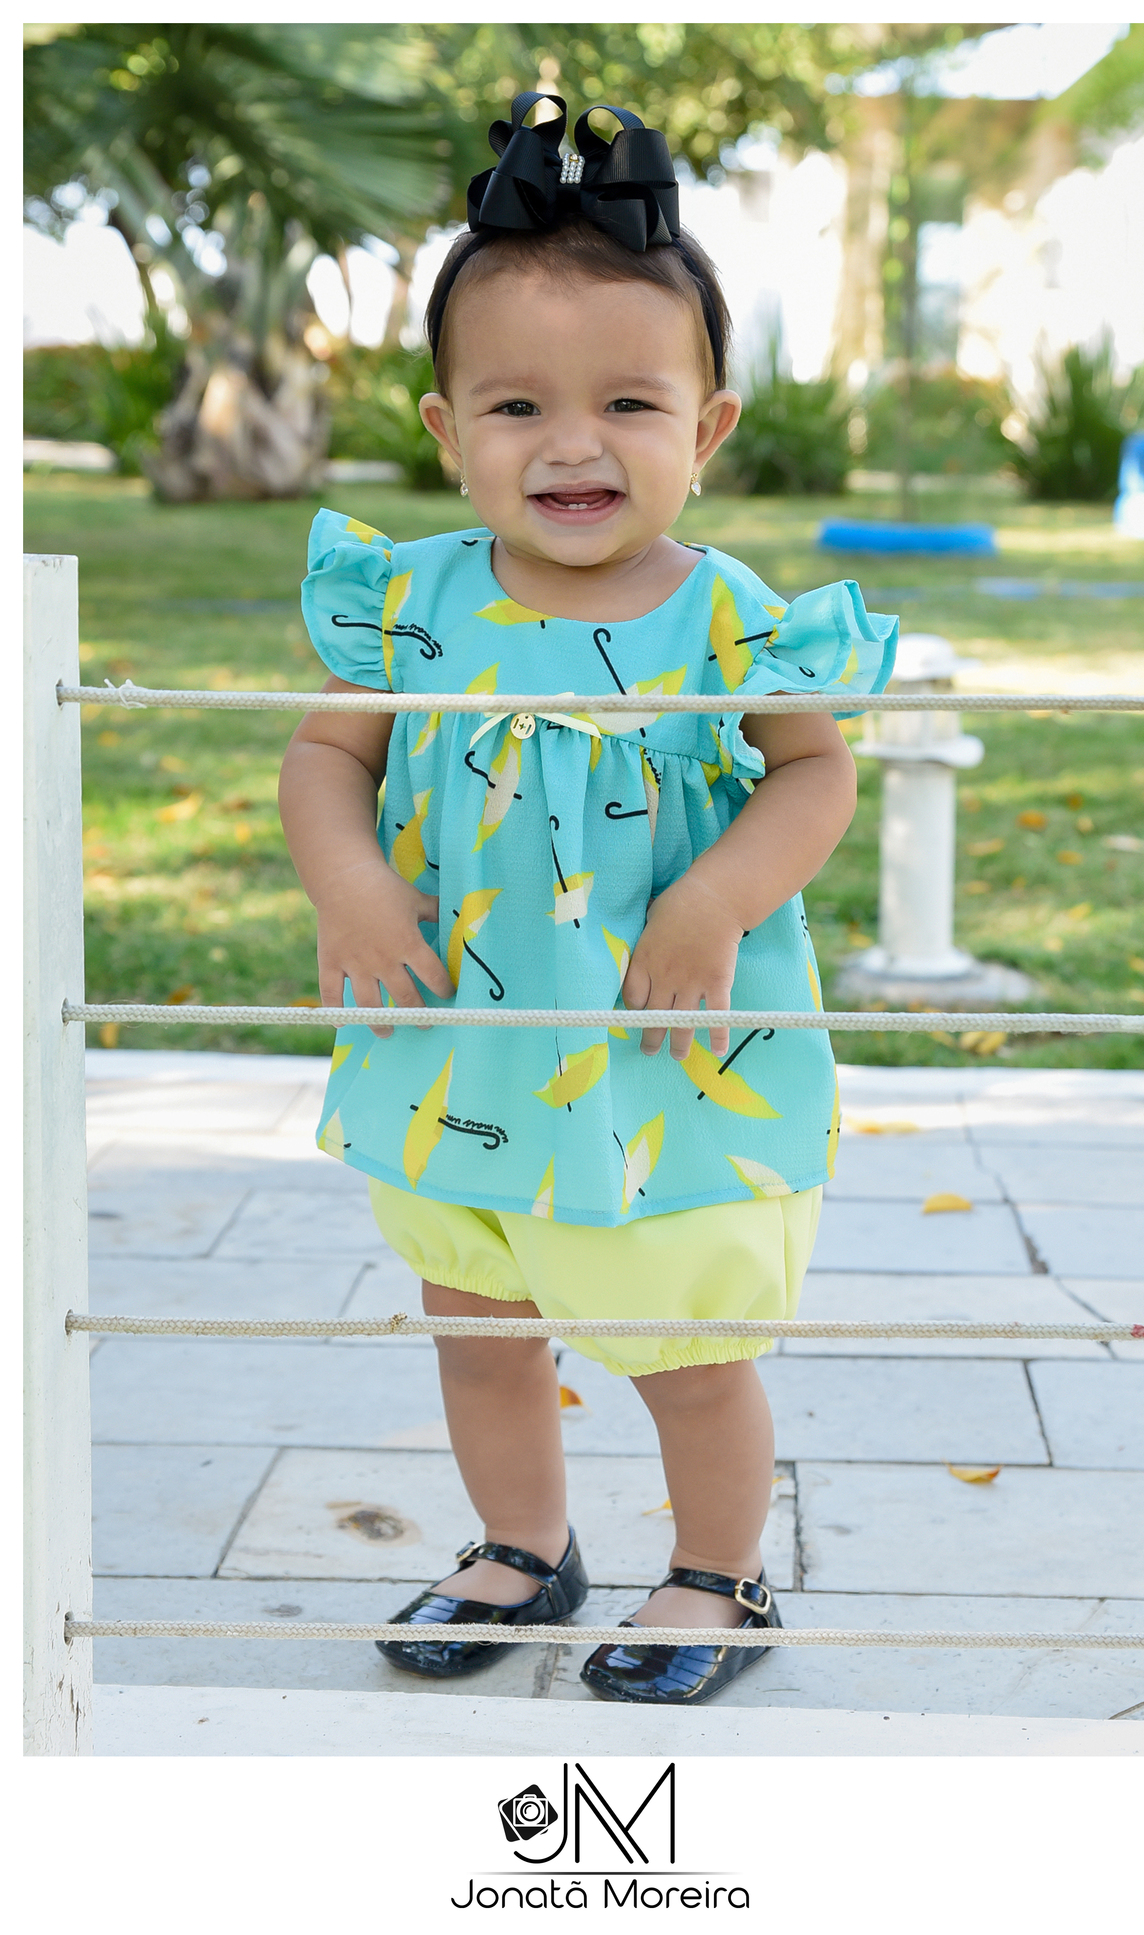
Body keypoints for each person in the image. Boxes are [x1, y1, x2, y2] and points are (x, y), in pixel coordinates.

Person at [279, 93, 896, 1705]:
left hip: (663, 1046)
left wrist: (716, 899)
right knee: (478, 1326)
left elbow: (813, 774)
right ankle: (520, 1545)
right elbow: (327, 756)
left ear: (708, 428)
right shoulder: (411, 606)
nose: (571, 444)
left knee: (685, 1347)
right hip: (463, 1044)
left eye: (629, 402)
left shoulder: (727, 616)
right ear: (445, 430)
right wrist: (350, 885)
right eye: (516, 405)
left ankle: (717, 1576)